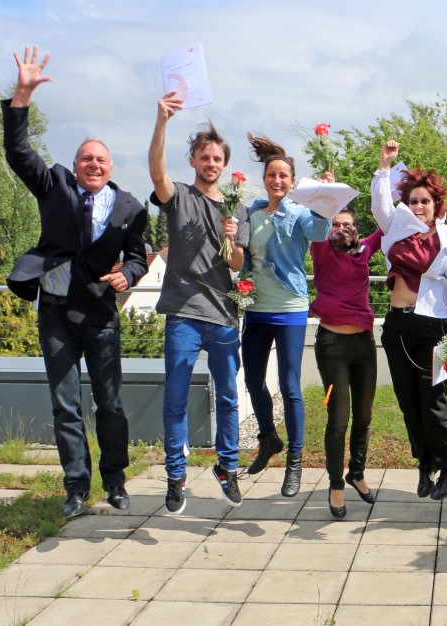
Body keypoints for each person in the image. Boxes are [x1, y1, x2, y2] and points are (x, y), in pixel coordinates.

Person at [1, 47, 149, 518]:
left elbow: (139, 257)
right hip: (56, 314)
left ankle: (116, 482)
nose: (93, 164)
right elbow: (18, 152)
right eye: (86, 158)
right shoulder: (54, 187)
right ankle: (76, 489)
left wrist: (126, 275)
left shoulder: (129, 208)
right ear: (75, 163)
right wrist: (22, 95)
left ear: (111, 166)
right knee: (65, 406)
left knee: (110, 406)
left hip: (102, 314)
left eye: (101, 159)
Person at [148, 92, 249, 514]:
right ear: (193, 161)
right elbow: (157, 173)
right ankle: (176, 474)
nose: (211, 164)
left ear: (224, 165)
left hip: (223, 314)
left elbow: (238, 263)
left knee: (227, 396)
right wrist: (161, 122)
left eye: (217, 159)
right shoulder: (180, 196)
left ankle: (227, 467)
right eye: (204, 157)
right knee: (175, 396)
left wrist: (230, 236)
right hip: (184, 313)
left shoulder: (236, 207)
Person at [372, 140, 447, 501]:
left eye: (425, 201)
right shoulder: (396, 228)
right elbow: (380, 205)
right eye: (413, 200)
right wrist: (384, 167)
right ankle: (424, 462)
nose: (418, 206)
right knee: (407, 400)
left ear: (436, 207)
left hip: (440, 328)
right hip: (398, 326)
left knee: (434, 400)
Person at [241, 134, 330, 498]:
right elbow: (238, 251)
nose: (278, 180)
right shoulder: (250, 212)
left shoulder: (300, 214)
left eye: (284, 176)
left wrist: (324, 202)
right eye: (272, 175)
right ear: (265, 178)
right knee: (252, 380)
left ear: (292, 182)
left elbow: (321, 234)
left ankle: (295, 462)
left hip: (291, 309)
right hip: (257, 309)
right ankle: (268, 438)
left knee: (290, 387)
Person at [310, 199, 383, 518]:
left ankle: (357, 472)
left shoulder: (365, 249)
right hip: (332, 345)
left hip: (364, 344)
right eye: (335, 224)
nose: (341, 229)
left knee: (364, 416)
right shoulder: (322, 249)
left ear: (356, 229)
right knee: (338, 418)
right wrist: (328, 197)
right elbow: (318, 223)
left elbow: (390, 223)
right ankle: (336, 485)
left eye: (347, 224)